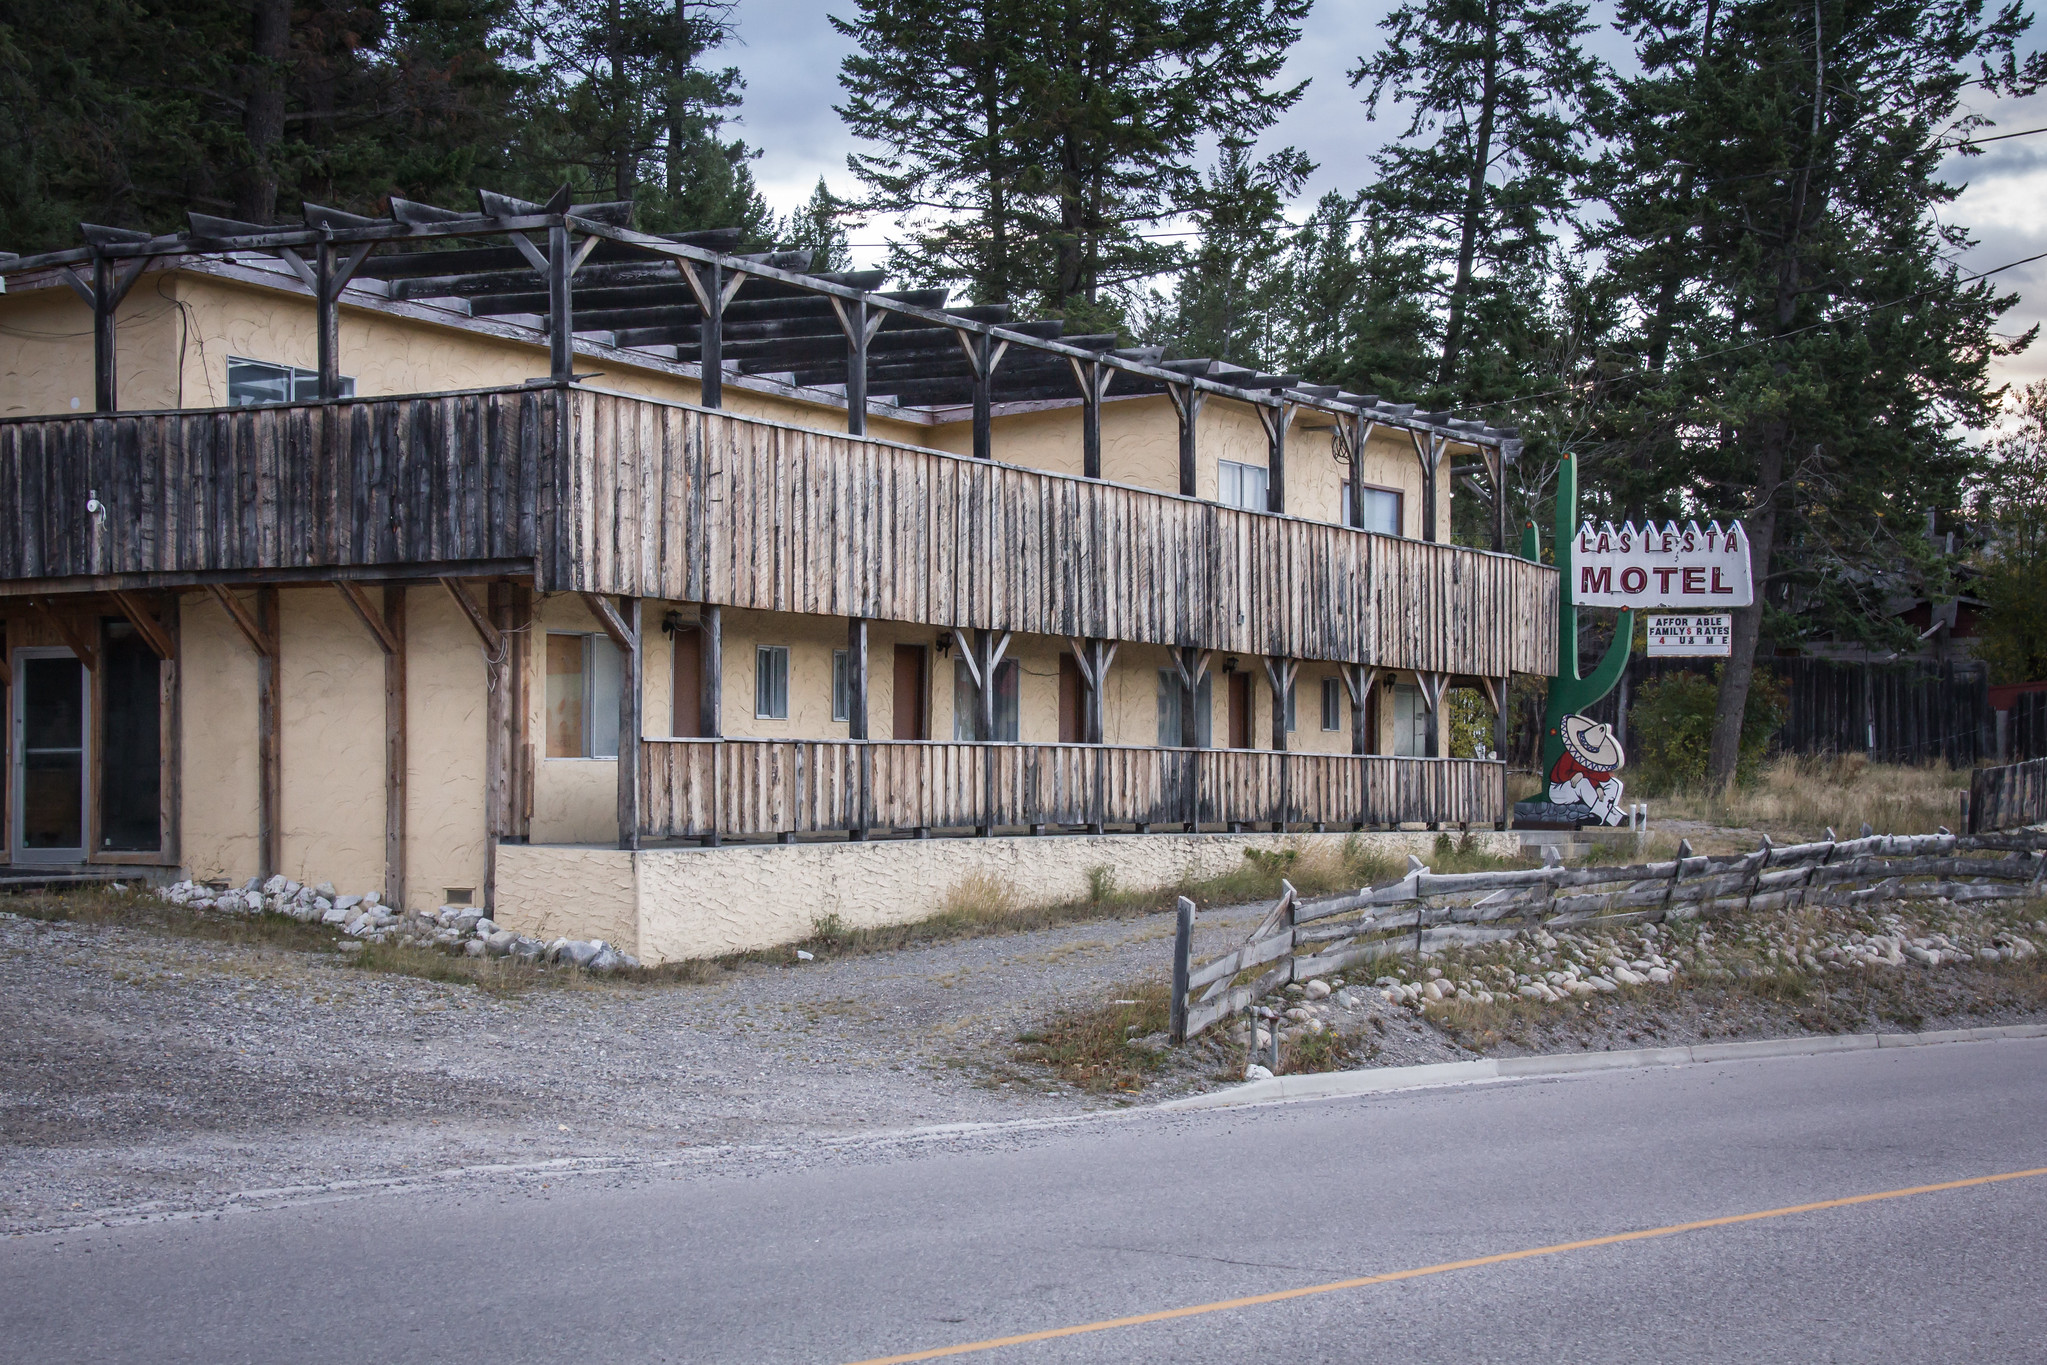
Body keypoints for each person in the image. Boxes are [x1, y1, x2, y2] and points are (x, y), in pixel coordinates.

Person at [1548, 714, 1626, 825]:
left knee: (1614, 784)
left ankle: (1603, 816)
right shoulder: (1569, 755)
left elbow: (1601, 777)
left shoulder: (1591, 761)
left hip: (1579, 787)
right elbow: (1557, 776)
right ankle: (1607, 817)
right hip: (1559, 789)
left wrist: (1597, 786)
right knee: (1583, 783)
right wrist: (1576, 775)